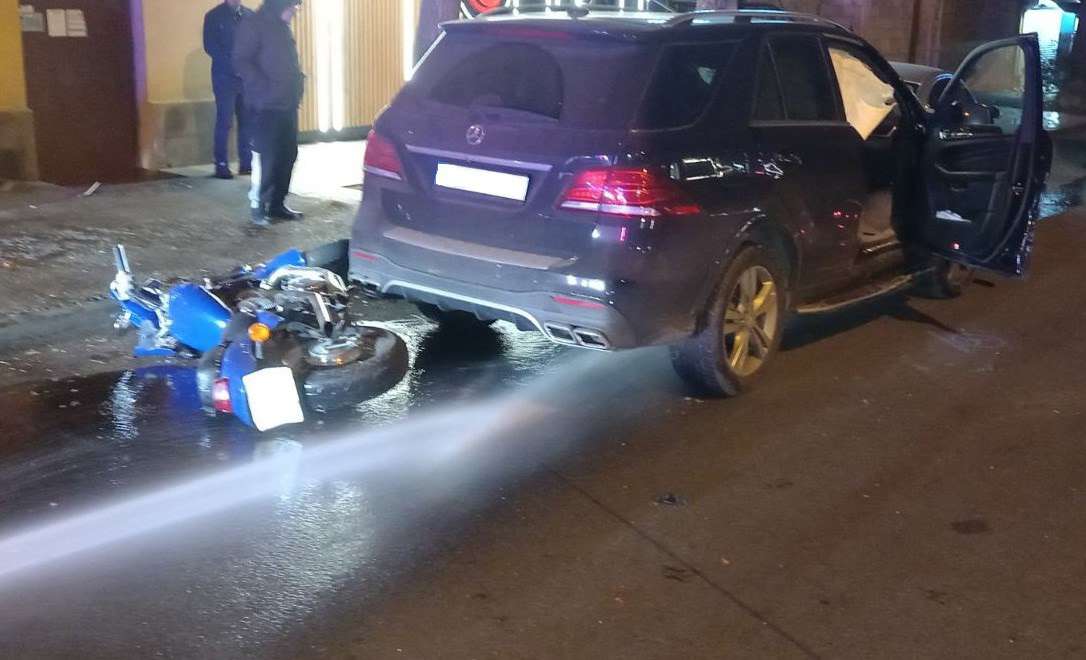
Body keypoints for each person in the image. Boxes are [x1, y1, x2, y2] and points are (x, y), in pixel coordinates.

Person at [233, 0, 305, 226]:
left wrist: (297, 85)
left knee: (287, 154)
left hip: (287, 104)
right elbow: (241, 61)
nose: (295, 12)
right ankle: (259, 205)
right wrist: (263, 87)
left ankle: (277, 203)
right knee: (267, 157)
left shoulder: (282, 28)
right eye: (293, 7)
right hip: (264, 106)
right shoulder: (254, 25)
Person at [203, 0, 254, 180]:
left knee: (246, 121)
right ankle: (221, 164)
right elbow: (210, 46)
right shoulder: (214, 16)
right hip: (224, 78)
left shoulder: (249, 16)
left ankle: (246, 163)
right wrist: (233, 66)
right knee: (224, 121)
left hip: (245, 80)